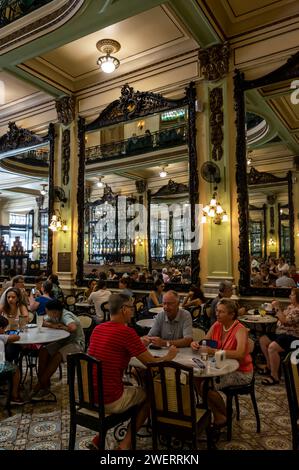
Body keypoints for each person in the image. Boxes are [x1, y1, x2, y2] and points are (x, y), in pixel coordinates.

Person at [87, 293, 177, 450]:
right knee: (149, 395)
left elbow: (115, 348)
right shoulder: (126, 332)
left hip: (89, 395)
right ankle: (125, 443)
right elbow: (153, 364)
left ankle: (99, 438)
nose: (133, 311)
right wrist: (169, 356)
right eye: (131, 307)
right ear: (123, 310)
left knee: (128, 385)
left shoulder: (98, 329)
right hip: (109, 399)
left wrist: (137, 342)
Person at [191, 299, 253, 428]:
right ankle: (218, 413)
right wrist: (196, 344)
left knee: (206, 386)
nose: (217, 314)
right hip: (220, 367)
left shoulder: (240, 329)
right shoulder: (217, 325)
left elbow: (240, 353)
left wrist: (213, 351)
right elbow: (205, 342)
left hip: (240, 371)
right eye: (216, 311)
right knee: (196, 378)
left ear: (231, 315)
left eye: (221, 312)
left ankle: (225, 415)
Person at [31, 300, 85, 400]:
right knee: (43, 351)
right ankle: (45, 385)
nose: (46, 313)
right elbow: (42, 321)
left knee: (57, 356)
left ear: (55, 312)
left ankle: (39, 385)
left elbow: (72, 327)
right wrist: (53, 325)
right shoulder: (54, 315)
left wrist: (63, 327)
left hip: (76, 343)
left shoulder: (65, 315)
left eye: (47, 311)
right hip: (62, 341)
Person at [259, 288, 299, 385]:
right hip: (282, 334)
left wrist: (277, 307)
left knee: (272, 347)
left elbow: (285, 321)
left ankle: (274, 376)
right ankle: (269, 366)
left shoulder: (298, 310)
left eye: (292, 295)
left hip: (293, 338)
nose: (290, 296)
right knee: (263, 339)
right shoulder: (291, 307)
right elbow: (280, 317)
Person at [0, 316, 25, 405]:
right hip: (0, 367)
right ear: (1, 328)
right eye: (4, 329)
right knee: (15, 369)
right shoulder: (2, 336)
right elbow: (16, 337)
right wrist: (8, 334)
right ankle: (14, 395)